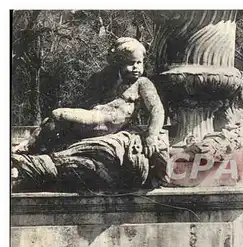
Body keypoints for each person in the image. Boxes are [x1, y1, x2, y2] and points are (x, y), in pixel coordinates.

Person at [13, 37, 165, 158]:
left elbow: (157, 110)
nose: (136, 67)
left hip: (103, 123)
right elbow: (87, 100)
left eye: (140, 62)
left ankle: (30, 148)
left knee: (57, 114)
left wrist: (151, 136)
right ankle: (31, 147)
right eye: (131, 63)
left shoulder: (142, 83)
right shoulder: (108, 79)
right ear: (118, 64)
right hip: (95, 119)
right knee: (50, 121)